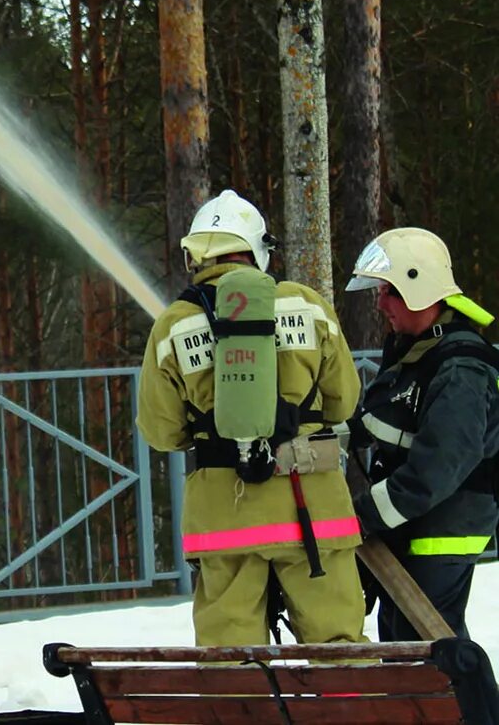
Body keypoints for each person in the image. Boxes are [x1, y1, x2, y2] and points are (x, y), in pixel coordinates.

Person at [137, 190, 364, 643]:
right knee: (341, 652)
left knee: (232, 661)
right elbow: (344, 403)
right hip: (314, 513)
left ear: (196, 254)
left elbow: (161, 431)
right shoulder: (307, 304)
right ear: (258, 248)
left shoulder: (174, 324)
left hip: (224, 517)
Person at [344, 228, 499, 638]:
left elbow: (440, 466)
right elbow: (386, 422)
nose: (380, 304)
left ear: (419, 287)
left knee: (430, 652)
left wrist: (366, 513)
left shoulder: (461, 368)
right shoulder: (419, 353)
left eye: (388, 292)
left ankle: (472, 706)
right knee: (407, 646)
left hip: (440, 534)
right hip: (416, 527)